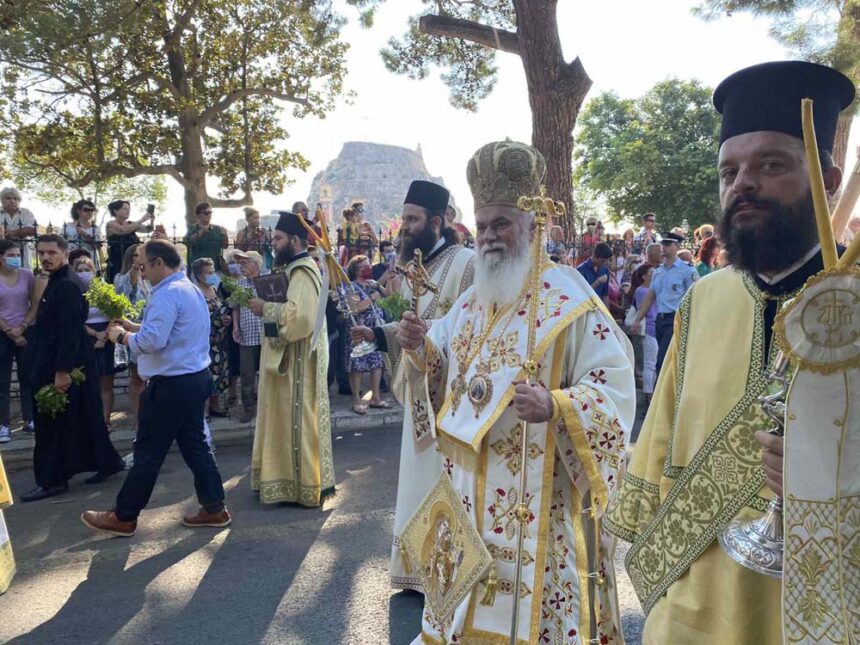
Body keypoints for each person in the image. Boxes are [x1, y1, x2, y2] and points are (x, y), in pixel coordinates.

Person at [605, 60, 856, 645]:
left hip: (822, 605)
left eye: (770, 164)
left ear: (830, 177)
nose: (742, 183)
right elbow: (664, 425)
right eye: (729, 170)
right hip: (695, 596)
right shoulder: (706, 297)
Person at [397, 141, 635, 643]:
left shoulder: (569, 300)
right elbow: (446, 370)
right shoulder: (471, 300)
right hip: (464, 492)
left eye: (500, 224)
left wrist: (557, 404)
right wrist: (422, 350)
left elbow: (613, 387)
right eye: (482, 226)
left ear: (532, 225)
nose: (488, 237)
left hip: (536, 499)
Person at [348, 179, 475, 592]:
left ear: (437, 221)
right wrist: (381, 334)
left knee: (443, 479)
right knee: (416, 476)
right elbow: (408, 324)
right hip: (417, 388)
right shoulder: (411, 269)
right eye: (403, 218)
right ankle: (417, 570)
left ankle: (445, 575)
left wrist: (426, 335)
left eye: (412, 219)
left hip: (449, 395)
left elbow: (473, 329)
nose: (404, 226)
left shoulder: (465, 264)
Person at [83, 239, 230, 536]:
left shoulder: (168, 294)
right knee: (196, 446)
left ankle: (123, 516)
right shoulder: (188, 288)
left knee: (148, 452)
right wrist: (133, 327)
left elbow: (152, 342)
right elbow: (170, 332)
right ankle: (215, 508)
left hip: (171, 384)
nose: (142, 271)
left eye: (143, 265)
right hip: (192, 379)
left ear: (159, 263)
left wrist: (121, 336)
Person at [20, 235, 123, 502]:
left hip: (63, 364)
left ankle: (52, 480)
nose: (45, 257)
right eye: (41, 253)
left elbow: (69, 332)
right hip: (70, 361)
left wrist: (62, 371)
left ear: (65, 254)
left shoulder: (67, 284)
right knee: (87, 415)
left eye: (51, 252)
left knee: (50, 425)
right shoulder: (57, 280)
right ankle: (108, 462)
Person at [246, 211, 334, 507]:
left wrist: (265, 308)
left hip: (299, 361)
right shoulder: (293, 269)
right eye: (273, 238)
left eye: (279, 238)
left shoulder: (303, 272)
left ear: (295, 240)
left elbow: (301, 318)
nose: (274, 243)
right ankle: (280, 480)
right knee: (281, 418)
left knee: (297, 418)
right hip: (288, 358)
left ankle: (302, 486)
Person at [629, 230, 698, 375]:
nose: (664, 247)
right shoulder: (658, 272)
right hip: (659, 320)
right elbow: (650, 296)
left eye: (668, 244)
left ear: (677, 246)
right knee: (665, 360)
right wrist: (637, 319)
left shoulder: (686, 270)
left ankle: (659, 394)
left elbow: (695, 296)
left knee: (662, 361)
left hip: (676, 319)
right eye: (663, 244)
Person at [74, 255, 120, 429]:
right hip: (85, 337)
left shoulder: (104, 290)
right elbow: (74, 319)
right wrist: (95, 334)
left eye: (87, 270)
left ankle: (105, 420)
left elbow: (116, 314)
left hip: (107, 337)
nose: (84, 273)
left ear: (94, 272)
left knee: (106, 382)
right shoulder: (74, 291)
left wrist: (105, 334)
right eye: (80, 271)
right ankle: (88, 420)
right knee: (86, 382)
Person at [0, 240, 37, 442]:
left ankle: (30, 420)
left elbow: (34, 302)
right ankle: (3, 425)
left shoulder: (26, 275)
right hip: (3, 333)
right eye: (10, 255)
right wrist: (8, 330)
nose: (15, 258)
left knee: (28, 378)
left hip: (25, 331)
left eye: (16, 254)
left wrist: (22, 328)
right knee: (2, 381)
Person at [342, 255, 387, 415]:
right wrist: (370, 299)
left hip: (374, 330)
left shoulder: (372, 285)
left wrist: (379, 289)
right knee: (357, 365)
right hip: (358, 331)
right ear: (356, 270)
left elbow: (385, 299)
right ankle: (356, 400)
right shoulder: (351, 287)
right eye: (364, 266)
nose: (368, 269)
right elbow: (353, 309)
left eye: (369, 265)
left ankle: (375, 397)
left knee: (377, 363)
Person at [188, 257, 232, 421]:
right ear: (199, 276)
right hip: (205, 340)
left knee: (219, 373)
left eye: (213, 272)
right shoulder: (195, 292)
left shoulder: (215, 289)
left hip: (220, 340)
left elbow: (221, 309)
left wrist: (226, 319)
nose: (213, 275)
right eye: (209, 273)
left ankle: (214, 406)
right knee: (206, 375)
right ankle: (203, 410)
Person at [113, 244, 149, 415]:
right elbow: (129, 285)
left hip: (151, 329)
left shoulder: (151, 280)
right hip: (132, 329)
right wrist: (136, 266)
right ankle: (139, 415)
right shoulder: (120, 277)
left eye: (142, 255)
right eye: (136, 255)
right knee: (137, 376)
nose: (139, 258)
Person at [230, 250, 263, 424]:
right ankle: (248, 408)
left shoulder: (265, 282)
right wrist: (235, 326)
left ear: (256, 264)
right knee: (247, 373)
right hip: (247, 333)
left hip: (265, 334)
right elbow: (235, 307)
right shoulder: (239, 284)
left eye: (245, 263)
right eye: (240, 264)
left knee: (266, 372)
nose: (242, 267)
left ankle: (266, 407)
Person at [105, 200, 154, 283]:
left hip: (132, 258)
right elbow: (123, 230)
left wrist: (152, 221)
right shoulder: (111, 224)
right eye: (124, 209)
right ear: (116, 211)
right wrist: (141, 220)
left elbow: (148, 230)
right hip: (117, 258)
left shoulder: (132, 224)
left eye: (129, 209)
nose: (127, 211)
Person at [631, 264, 658, 406]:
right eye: (651, 272)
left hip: (657, 326)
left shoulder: (655, 288)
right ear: (644, 276)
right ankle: (648, 393)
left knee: (653, 361)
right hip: (649, 327)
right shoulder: (641, 291)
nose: (655, 273)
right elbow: (644, 308)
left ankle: (652, 390)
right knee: (650, 362)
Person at [0, 187, 37, 269]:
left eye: (15, 198)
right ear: (2, 200)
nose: (12, 201)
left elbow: (33, 230)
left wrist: (14, 233)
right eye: (8, 198)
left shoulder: (26, 213)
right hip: (1, 250)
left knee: (24, 273)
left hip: (23, 250)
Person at [184, 202, 228, 268]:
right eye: (205, 213)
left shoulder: (217, 229)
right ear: (198, 215)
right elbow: (187, 242)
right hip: (198, 266)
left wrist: (225, 235)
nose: (208, 215)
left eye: (210, 212)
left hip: (215, 266)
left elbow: (225, 246)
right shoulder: (192, 228)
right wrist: (201, 232)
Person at [63, 200, 102, 272]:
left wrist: (85, 234)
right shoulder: (67, 227)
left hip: (90, 261)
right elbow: (61, 245)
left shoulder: (95, 229)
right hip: (71, 261)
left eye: (92, 210)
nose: (90, 212)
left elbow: (98, 246)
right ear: (78, 211)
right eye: (86, 210)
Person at [576, 241, 613, 305]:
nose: (604, 263)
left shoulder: (604, 270)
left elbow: (605, 295)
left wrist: (607, 313)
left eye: (606, 261)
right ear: (595, 256)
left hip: (599, 308)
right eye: (602, 261)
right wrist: (597, 282)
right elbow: (581, 294)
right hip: (585, 306)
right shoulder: (581, 270)